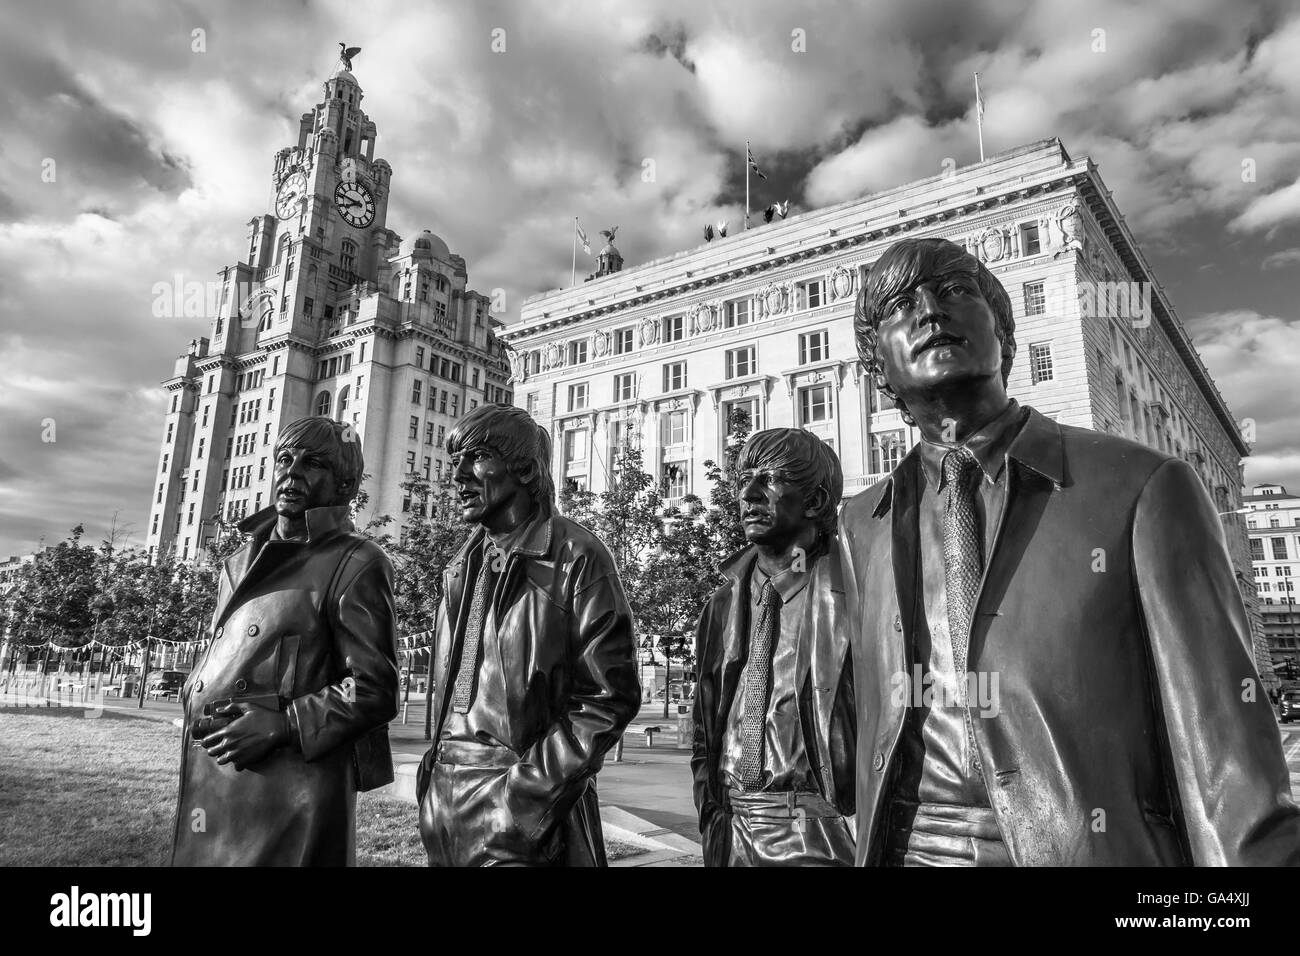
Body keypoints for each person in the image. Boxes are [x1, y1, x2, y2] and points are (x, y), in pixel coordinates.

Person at [839, 235, 1300, 866]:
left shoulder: (1140, 487)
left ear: (1005, 333)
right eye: (900, 305)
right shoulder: (860, 524)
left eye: (953, 292)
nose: (929, 312)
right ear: (876, 371)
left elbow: (1224, 765)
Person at [417, 404, 640, 866]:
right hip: (445, 804)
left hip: (523, 809)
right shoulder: (460, 566)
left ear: (522, 467)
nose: (457, 475)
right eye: (454, 459)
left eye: (475, 457)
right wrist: (432, 783)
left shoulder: (576, 555)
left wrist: (526, 797)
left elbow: (606, 697)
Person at [172, 416, 399, 866]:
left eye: (312, 463)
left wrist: (285, 723)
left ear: (345, 483)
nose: (291, 473)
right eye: (284, 459)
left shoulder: (357, 561)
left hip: (290, 794)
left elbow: (374, 687)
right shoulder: (238, 560)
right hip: (217, 775)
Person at [691, 428, 856, 866]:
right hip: (730, 829)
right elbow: (705, 721)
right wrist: (711, 809)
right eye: (744, 479)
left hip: (818, 833)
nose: (747, 494)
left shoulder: (857, 593)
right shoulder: (724, 600)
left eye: (769, 479)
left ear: (816, 501)